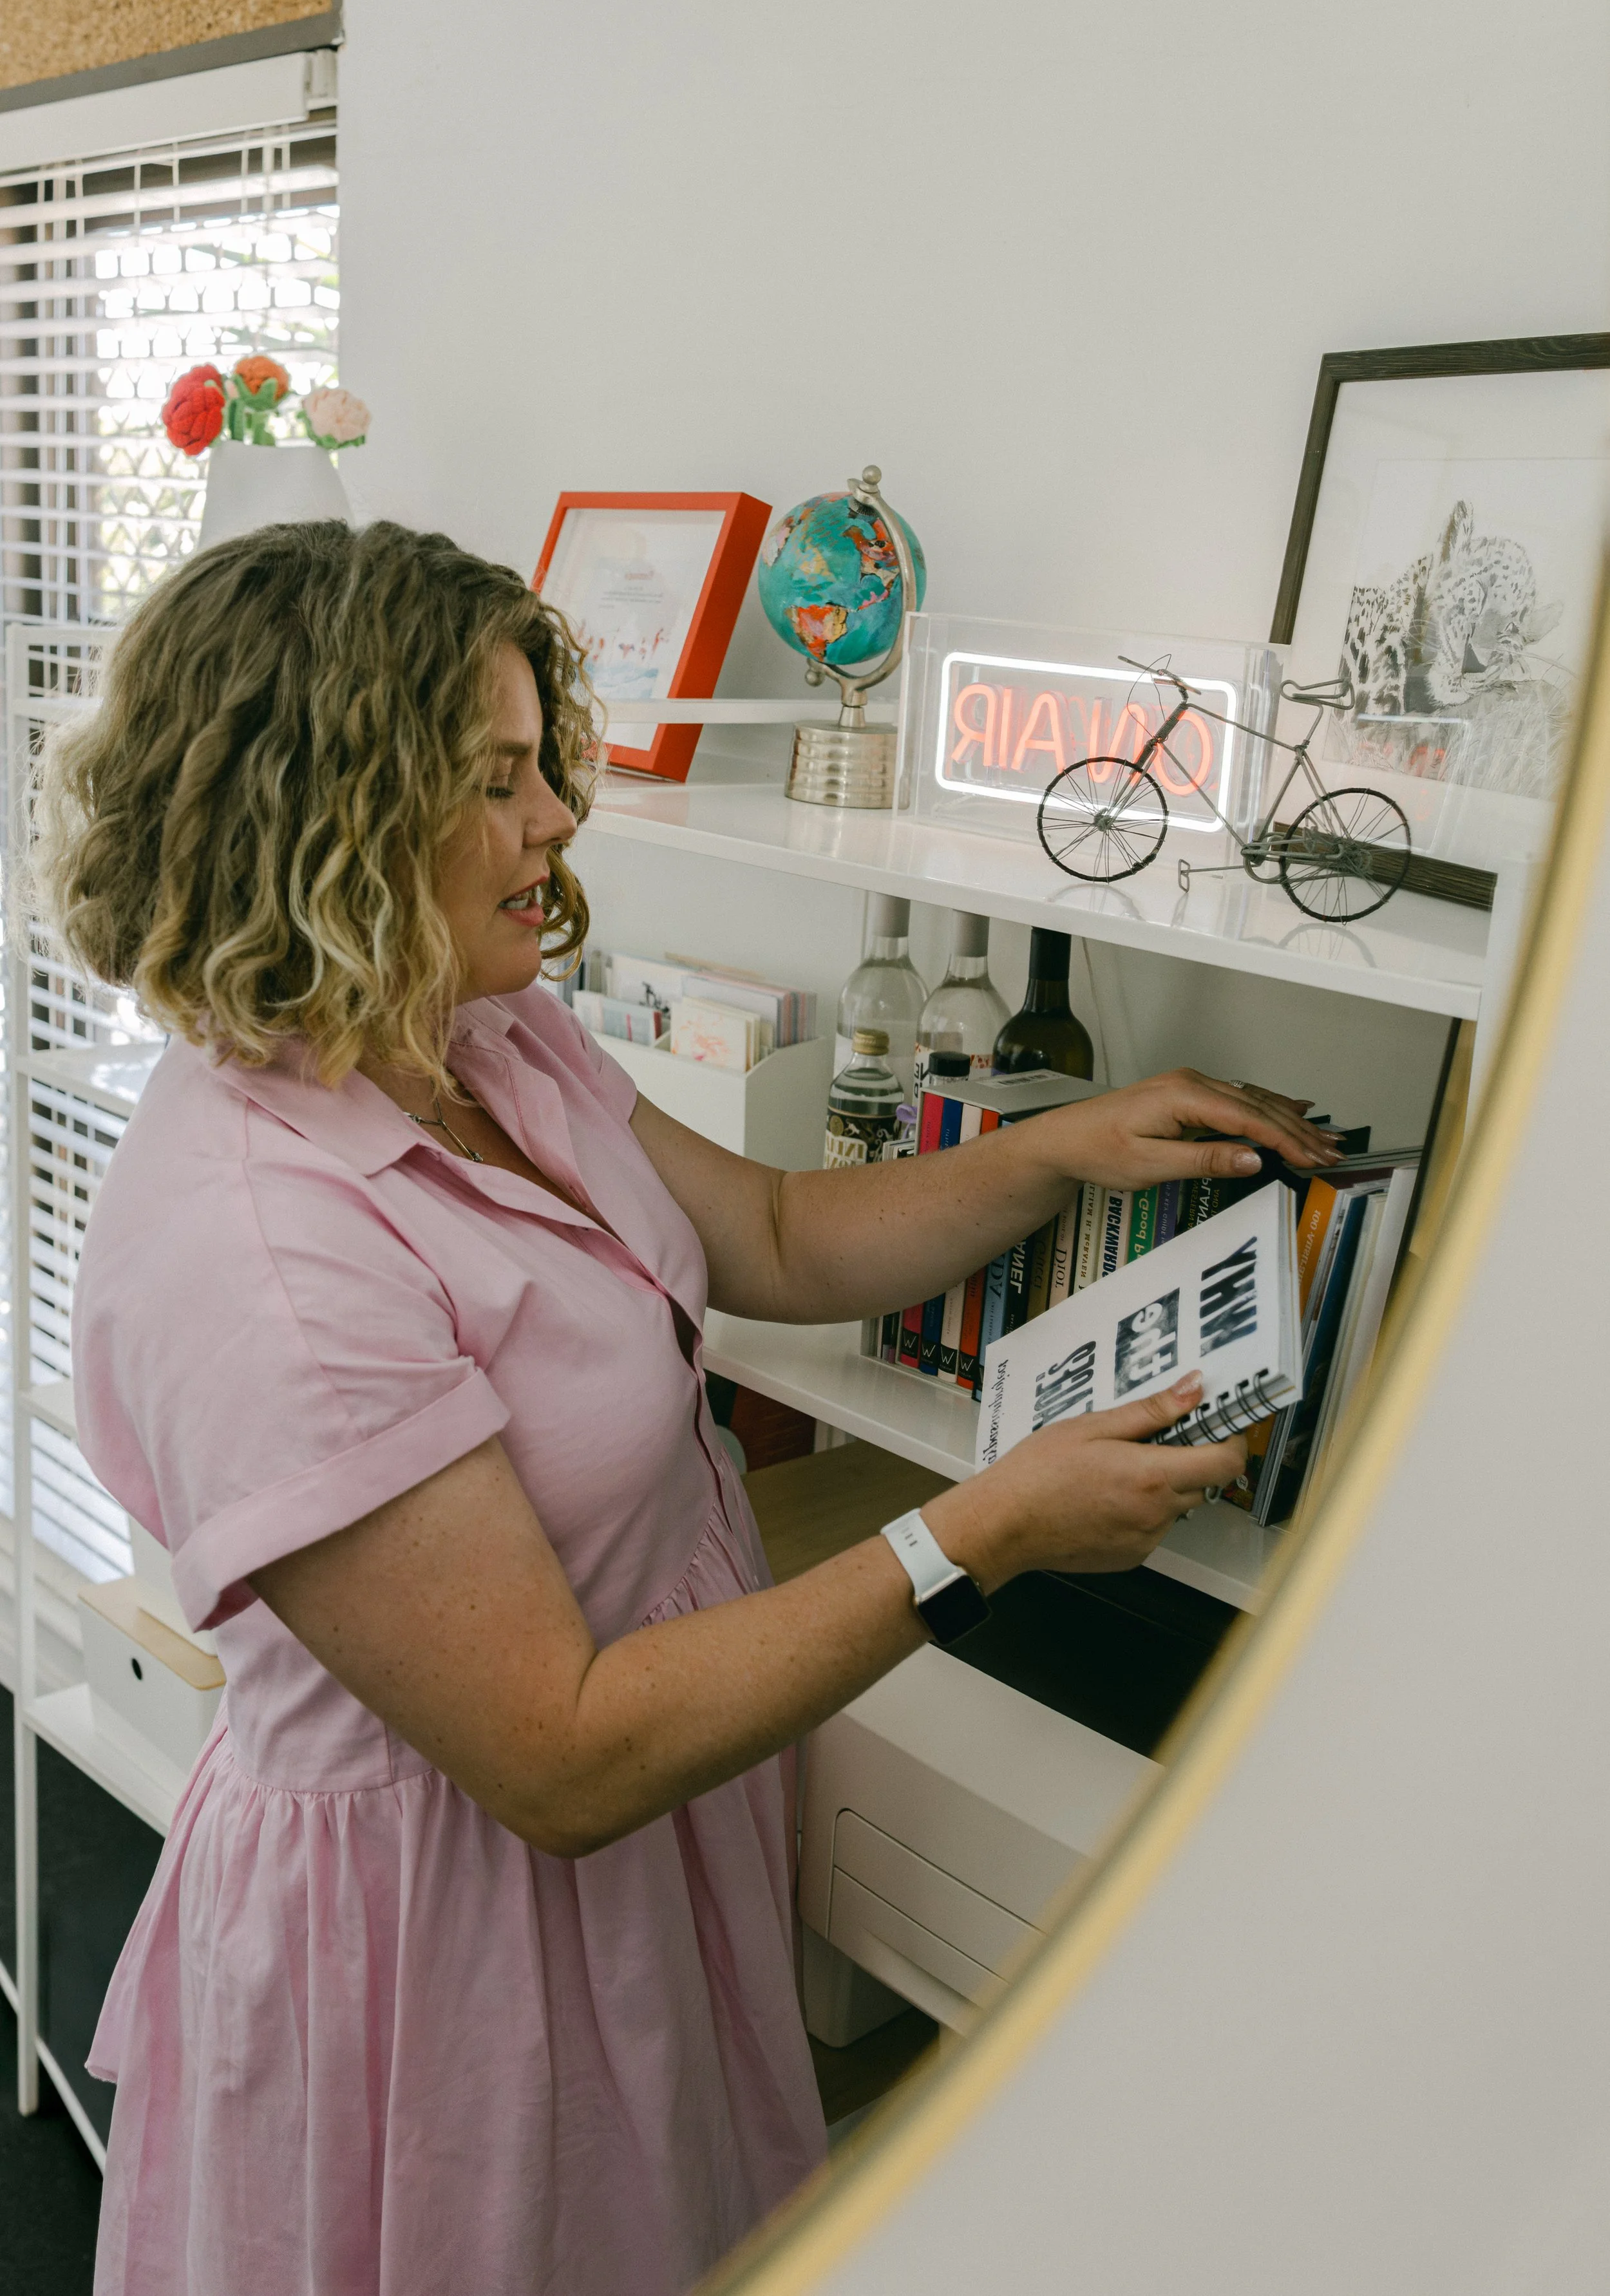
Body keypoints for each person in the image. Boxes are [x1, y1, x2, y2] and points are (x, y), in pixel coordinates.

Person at [44, 520, 1337, 2296]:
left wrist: (1058, 1150)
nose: (559, 817)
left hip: (644, 1831)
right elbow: (560, 1751)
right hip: (444, 1935)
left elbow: (780, 1234)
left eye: (543, 761)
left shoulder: (481, 1034)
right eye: (499, 780)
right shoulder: (259, 1248)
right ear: (326, 817)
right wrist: (981, 1528)